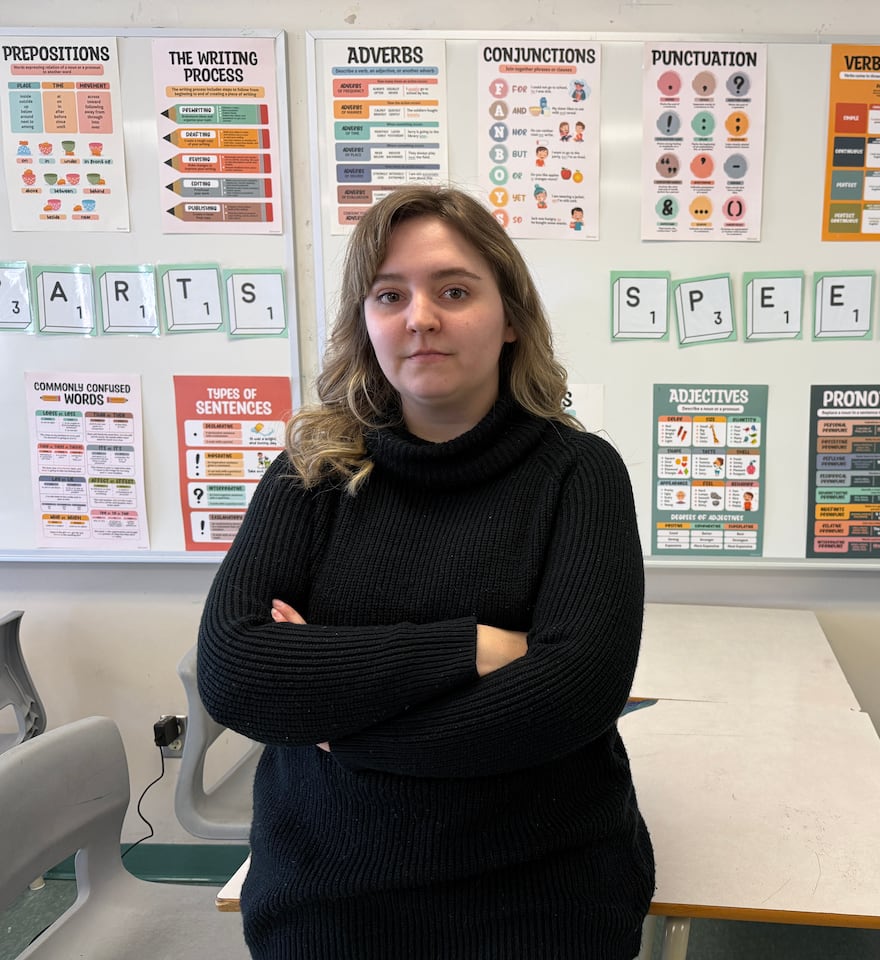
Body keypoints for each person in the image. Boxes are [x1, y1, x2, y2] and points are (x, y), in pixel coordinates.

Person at [198, 185, 654, 959]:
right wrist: (472, 648)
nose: (420, 316)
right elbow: (238, 671)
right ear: (366, 323)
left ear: (511, 319)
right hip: (327, 897)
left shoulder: (580, 474)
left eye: (453, 290)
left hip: (544, 895)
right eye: (389, 294)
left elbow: (571, 696)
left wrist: (336, 724)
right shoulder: (309, 473)